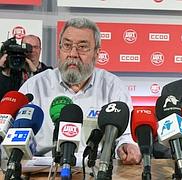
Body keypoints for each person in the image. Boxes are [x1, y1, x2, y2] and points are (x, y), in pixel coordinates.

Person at [19, 17, 141, 164]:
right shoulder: (34, 87)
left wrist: (126, 146)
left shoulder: (113, 87)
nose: (73, 54)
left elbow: (126, 135)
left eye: (82, 47)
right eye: (67, 45)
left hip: (95, 169)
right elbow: (15, 134)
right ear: (59, 50)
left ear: (97, 53)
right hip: (42, 170)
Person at [0, 34, 52, 100]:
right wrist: (4, 72)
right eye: (28, 47)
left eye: (35, 47)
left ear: (40, 50)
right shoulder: (13, 71)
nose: (32, 50)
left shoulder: (48, 72)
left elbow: (48, 94)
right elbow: (4, 97)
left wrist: (36, 72)